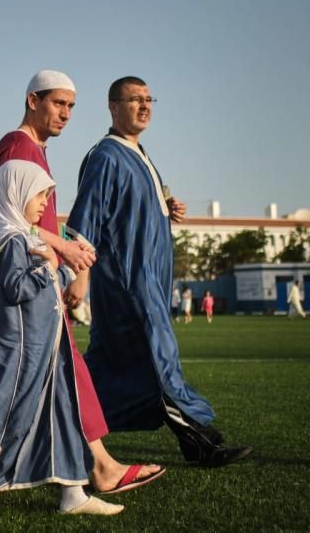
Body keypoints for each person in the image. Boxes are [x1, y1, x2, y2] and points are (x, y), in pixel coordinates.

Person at [0, 72, 161, 517]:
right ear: (32, 100)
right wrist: (63, 253)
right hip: (17, 301)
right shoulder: (18, 149)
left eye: (72, 106)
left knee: (60, 386)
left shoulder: (28, 149)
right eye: (58, 104)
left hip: (36, 297)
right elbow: (10, 226)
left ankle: (81, 479)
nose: (66, 114)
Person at [66, 75, 252, 468]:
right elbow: (88, 216)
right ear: (113, 107)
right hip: (128, 283)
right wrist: (80, 273)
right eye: (135, 99)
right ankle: (201, 441)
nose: (145, 105)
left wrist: (166, 206)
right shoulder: (106, 155)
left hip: (148, 281)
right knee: (159, 358)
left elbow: (134, 208)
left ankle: (66, 428)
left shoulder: (140, 154)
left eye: (149, 99)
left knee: (107, 368)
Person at [0, 161, 123, 517]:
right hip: (24, 351)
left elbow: (34, 284)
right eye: (38, 194)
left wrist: (58, 268)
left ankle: (73, 492)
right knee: (8, 416)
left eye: (47, 195)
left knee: (61, 413)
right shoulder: (11, 241)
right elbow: (10, 287)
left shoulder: (26, 238)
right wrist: (49, 269)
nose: (45, 203)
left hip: (47, 346)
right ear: (15, 194)